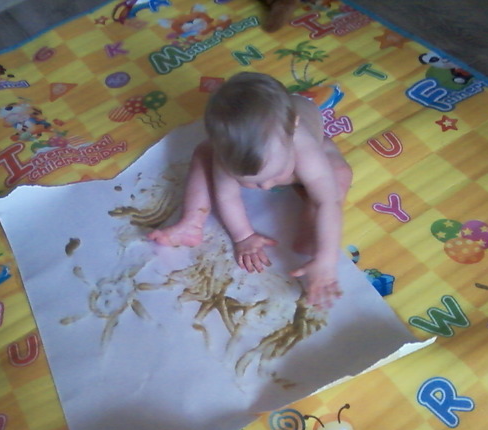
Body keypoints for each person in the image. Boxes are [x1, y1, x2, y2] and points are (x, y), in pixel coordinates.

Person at [148, 72, 352, 308]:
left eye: (275, 175)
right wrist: (243, 236)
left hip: (311, 135)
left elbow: (326, 201)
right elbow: (227, 196)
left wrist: (327, 260)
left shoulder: (304, 149)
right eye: (252, 183)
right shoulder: (226, 155)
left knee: (339, 174)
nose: (266, 186)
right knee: (203, 154)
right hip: (248, 145)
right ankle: (191, 222)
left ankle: (310, 225)